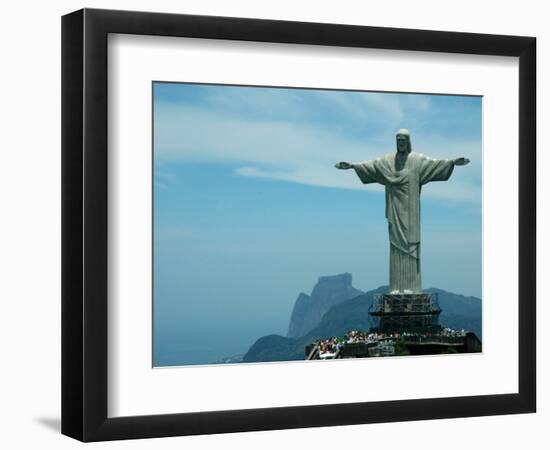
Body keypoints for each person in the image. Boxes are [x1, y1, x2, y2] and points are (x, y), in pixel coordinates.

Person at [335, 129, 469, 294]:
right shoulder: (388, 161)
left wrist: (452, 162)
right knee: (396, 247)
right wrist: (352, 165)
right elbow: (372, 166)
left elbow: (435, 164)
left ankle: (411, 287)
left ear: (409, 141)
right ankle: (396, 287)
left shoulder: (416, 161)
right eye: (398, 141)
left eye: (403, 140)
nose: (401, 143)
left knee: (410, 246)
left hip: (411, 214)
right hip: (395, 211)